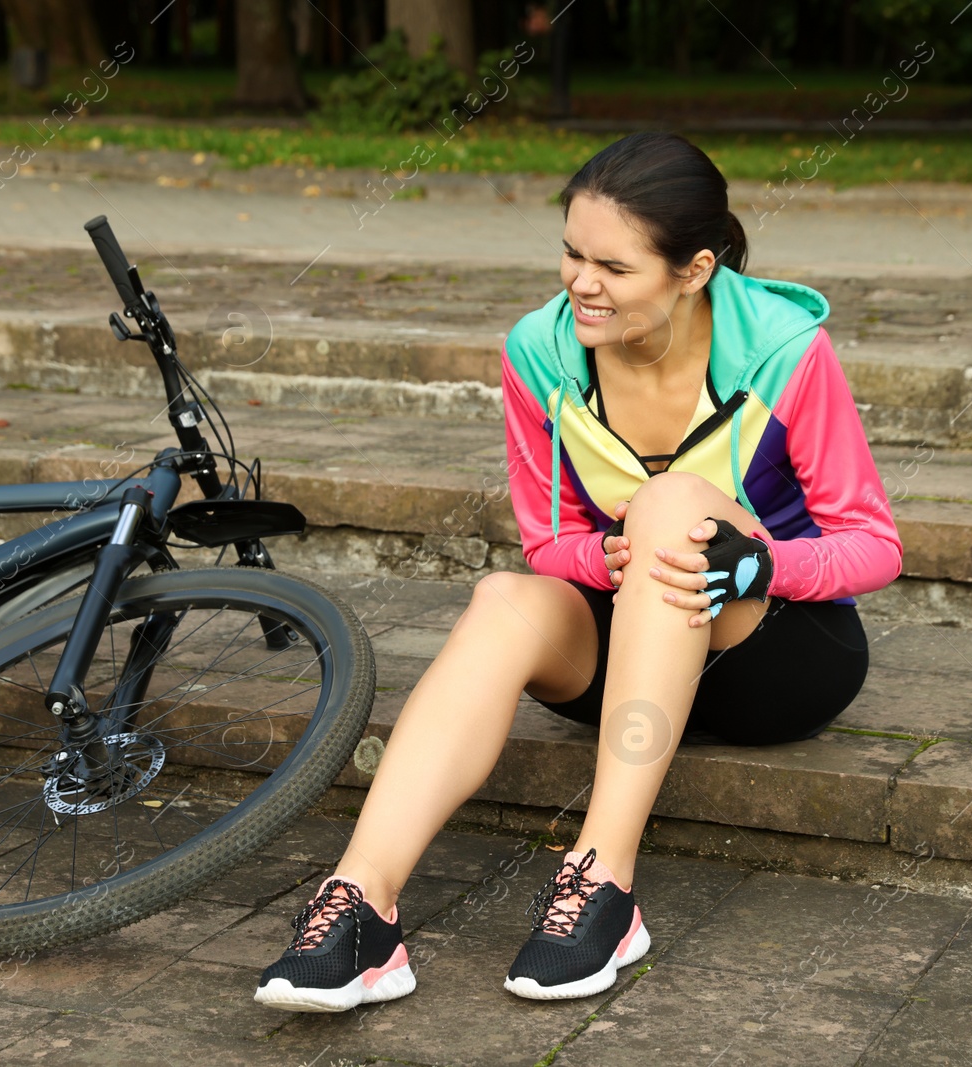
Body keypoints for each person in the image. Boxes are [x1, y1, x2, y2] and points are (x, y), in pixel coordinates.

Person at [253, 131, 903, 1013]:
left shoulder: (788, 351)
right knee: (503, 599)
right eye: (569, 252)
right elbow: (547, 542)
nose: (580, 282)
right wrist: (602, 554)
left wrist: (760, 561)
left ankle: (603, 882)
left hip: (771, 654)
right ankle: (363, 905)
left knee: (673, 501)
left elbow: (875, 543)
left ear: (695, 268)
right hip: (626, 651)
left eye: (613, 266)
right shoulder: (540, 351)